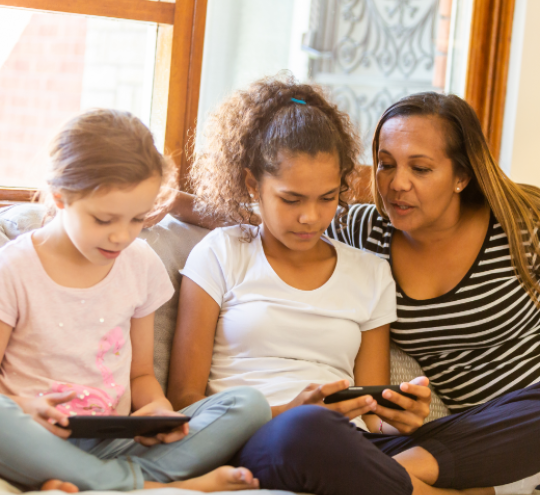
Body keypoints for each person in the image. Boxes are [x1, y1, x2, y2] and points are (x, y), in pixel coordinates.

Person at [165, 79, 540, 495]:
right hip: (282, 435)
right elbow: (186, 398)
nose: (397, 184)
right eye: (385, 163)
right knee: (308, 427)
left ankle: (401, 473)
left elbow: (374, 409)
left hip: (409, 436)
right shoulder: (233, 251)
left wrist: (398, 417)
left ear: (461, 176)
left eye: (420, 168)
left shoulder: (374, 261)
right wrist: (166, 202)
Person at [0, 109, 271, 493]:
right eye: (104, 220)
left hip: (116, 444)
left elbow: (141, 374)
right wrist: (25, 408)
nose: (121, 237)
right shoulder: (12, 270)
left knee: (248, 406)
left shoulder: (140, 263)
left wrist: (157, 410)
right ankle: (149, 487)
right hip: (36, 440)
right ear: (60, 197)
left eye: (136, 219)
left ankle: (110, 483)